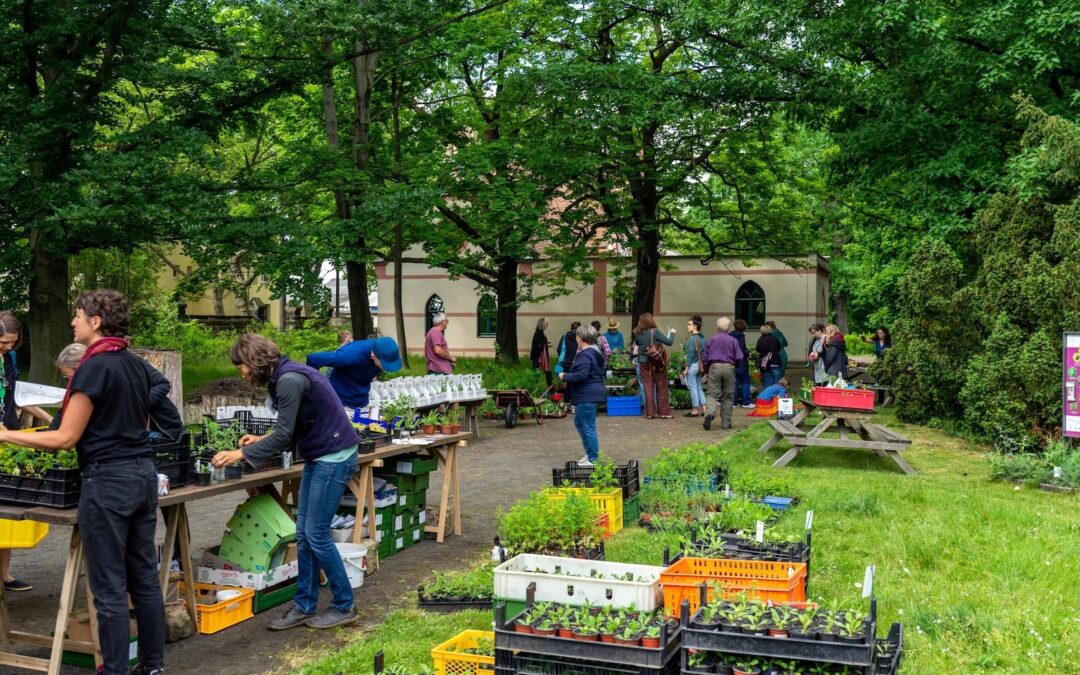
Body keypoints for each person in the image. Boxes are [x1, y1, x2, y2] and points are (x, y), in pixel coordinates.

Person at [0, 291, 167, 674]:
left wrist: (7, 436)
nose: (72, 322)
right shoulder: (136, 364)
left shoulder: (94, 368)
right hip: (142, 476)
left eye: (77, 316)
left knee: (108, 588)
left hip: (108, 483)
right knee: (143, 579)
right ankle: (153, 666)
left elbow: (65, 438)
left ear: (95, 321)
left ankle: (114, 669)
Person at [212, 334, 361, 632]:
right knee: (305, 535)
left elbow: (283, 436)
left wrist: (240, 453)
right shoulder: (286, 375)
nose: (241, 373)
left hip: (333, 457)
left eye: (241, 366)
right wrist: (259, 440)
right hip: (321, 455)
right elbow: (288, 429)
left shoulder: (289, 380)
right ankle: (304, 606)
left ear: (253, 360)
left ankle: (344, 605)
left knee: (316, 535)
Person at [0, 312, 34, 594]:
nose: (8, 348)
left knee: (7, 506)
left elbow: (16, 393)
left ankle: (5, 574)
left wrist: (47, 416)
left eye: (12, 343)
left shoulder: (8, 359)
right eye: (3, 343)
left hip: (8, 434)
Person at [307, 337, 404, 414]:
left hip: (362, 401)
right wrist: (316, 389)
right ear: (373, 356)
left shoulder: (384, 348)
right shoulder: (349, 355)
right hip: (341, 404)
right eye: (385, 364)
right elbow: (313, 359)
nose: (387, 368)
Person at [558, 324, 606, 467]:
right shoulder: (594, 352)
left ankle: (593, 459)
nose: (576, 338)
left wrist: (564, 376)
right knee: (580, 423)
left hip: (587, 394)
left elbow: (582, 374)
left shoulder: (587, 354)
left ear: (582, 337)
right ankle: (590, 454)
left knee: (588, 426)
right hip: (588, 393)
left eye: (577, 335)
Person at [700, 317, 743, 431]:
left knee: (712, 394)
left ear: (717, 327)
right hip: (729, 367)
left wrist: (706, 370)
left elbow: (705, 357)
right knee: (728, 396)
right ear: (728, 328)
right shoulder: (733, 340)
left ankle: (709, 413)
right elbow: (739, 357)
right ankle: (726, 423)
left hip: (715, 367)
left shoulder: (711, 339)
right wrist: (735, 366)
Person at [632, 313, 675, 419]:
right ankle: (663, 412)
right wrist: (673, 333)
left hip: (643, 362)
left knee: (647, 387)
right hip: (656, 362)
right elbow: (669, 342)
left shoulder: (637, 332)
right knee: (661, 386)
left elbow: (637, 346)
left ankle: (650, 413)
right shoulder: (655, 331)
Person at [681, 316, 706, 417]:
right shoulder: (702, 337)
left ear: (695, 326)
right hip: (700, 365)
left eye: (689, 324)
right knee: (699, 387)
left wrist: (686, 368)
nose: (687, 326)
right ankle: (705, 409)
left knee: (693, 388)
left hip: (693, 366)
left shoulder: (692, 338)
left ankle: (695, 410)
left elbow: (691, 354)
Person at [731, 319, 753, 409]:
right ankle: (746, 402)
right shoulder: (740, 336)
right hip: (741, 362)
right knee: (746, 382)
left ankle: (734, 402)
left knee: (735, 382)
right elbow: (740, 350)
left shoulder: (730, 335)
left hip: (732, 362)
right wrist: (747, 353)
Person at [755, 324, 783, 389]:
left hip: (765, 364)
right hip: (775, 362)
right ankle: (775, 398)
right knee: (777, 383)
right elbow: (779, 348)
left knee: (767, 382)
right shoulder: (775, 339)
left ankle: (768, 398)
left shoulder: (760, 339)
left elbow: (758, 350)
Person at [530, 318, 553, 387]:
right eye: (547, 324)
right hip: (539, 357)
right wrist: (547, 345)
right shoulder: (539, 333)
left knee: (540, 374)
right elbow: (539, 345)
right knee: (539, 374)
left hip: (539, 357)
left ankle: (549, 389)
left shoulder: (540, 332)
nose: (547, 325)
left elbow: (540, 344)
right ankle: (550, 390)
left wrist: (546, 344)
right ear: (543, 324)